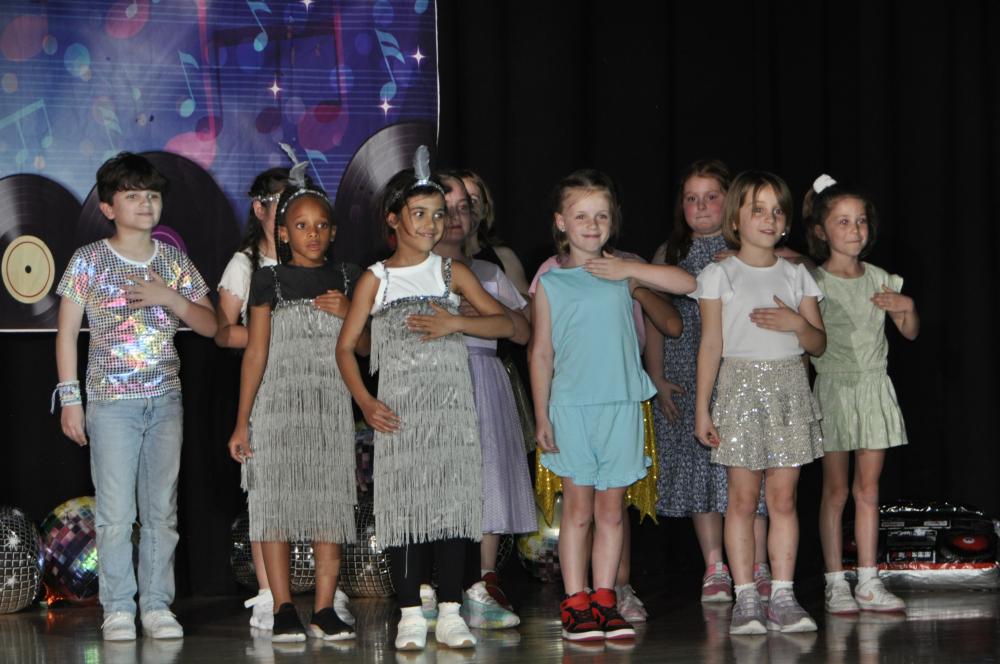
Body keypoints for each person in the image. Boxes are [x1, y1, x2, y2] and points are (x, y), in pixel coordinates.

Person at [335, 147, 516, 652]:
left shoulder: (451, 273)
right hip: (400, 415)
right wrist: (366, 402)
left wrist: (458, 321)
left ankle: (453, 610)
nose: (433, 225)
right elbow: (345, 348)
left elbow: (512, 325)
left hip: (452, 414)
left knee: (455, 509)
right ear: (393, 220)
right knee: (407, 511)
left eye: (440, 215)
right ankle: (412, 613)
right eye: (420, 215)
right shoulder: (377, 278)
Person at [53, 152, 216, 641]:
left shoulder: (172, 261)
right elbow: (65, 336)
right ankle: (119, 606)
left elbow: (211, 326)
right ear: (108, 207)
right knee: (116, 513)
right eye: (132, 196)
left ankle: (157, 605)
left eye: (152, 195)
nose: (145, 205)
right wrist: (70, 398)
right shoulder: (89, 259)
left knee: (161, 511)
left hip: (165, 400)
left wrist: (172, 298)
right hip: (110, 402)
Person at [530, 169, 695, 641]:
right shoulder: (552, 284)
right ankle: (576, 601)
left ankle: (607, 598)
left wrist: (631, 270)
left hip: (622, 406)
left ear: (612, 221)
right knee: (578, 511)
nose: (591, 223)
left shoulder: (624, 275)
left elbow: (685, 284)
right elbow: (540, 352)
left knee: (610, 510)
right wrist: (542, 414)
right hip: (571, 410)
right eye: (581, 215)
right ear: (561, 222)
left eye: (601, 215)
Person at [215, 168, 354, 631]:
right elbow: (255, 352)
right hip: (275, 407)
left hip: (329, 406)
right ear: (281, 231)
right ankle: (281, 608)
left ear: (332, 232)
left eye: (320, 226)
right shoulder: (267, 281)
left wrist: (352, 313)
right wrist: (242, 422)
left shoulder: (348, 279)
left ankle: (324, 608)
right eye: (300, 225)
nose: (311, 234)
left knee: (329, 508)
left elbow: (371, 347)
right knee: (273, 505)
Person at [692, 170, 825, 635]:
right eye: (758, 209)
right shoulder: (719, 273)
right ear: (736, 218)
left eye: (777, 210)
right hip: (739, 388)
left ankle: (783, 594)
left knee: (783, 498)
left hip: (788, 388)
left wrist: (795, 323)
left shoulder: (796, 275)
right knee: (742, 500)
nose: (769, 219)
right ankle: (746, 597)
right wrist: (702, 408)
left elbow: (817, 343)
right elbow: (710, 344)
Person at [643, 160, 771, 603]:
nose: (700, 206)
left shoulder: (745, 247)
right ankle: (715, 565)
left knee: (745, 472)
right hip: (685, 370)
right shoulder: (670, 254)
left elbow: (793, 263)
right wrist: (657, 377)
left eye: (711, 197)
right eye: (691, 198)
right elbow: (658, 320)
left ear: (729, 202)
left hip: (736, 371)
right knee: (699, 471)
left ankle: (758, 564)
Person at [804, 174, 918, 614]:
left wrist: (907, 309)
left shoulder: (882, 278)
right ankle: (836, 582)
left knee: (867, 490)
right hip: (834, 386)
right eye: (843, 222)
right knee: (835, 492)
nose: (855, 230)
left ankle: (868, 580)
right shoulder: (813, 282)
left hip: (873, 387)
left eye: (861, 222)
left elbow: (908, 333)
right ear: (821, 230)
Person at [433, 173, 535, 628]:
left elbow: (526, 330)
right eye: (445, 208)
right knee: (440, 478)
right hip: (434, 385)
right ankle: (435, 583)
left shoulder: (490, 272)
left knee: (487, 473)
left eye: (463, 209)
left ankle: (484, 579)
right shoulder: (410, 272)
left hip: (483, 376)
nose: (456, 218)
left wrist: (490, 315)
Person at [457, 168, 531, 297]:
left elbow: (529, 311)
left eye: (473, 200)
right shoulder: (433, 261)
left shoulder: (503, 257)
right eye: (460, 201)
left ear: (485, 210)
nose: (466, 207)